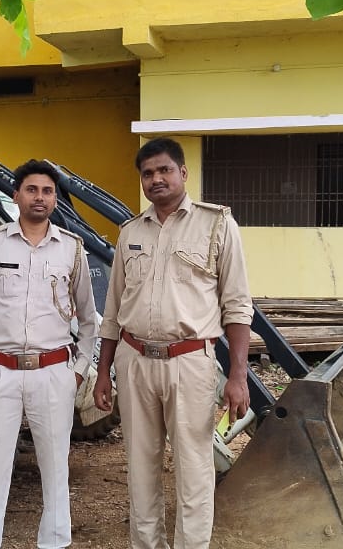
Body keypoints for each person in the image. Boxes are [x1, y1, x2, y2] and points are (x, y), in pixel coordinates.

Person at [92, 137, 253, 549]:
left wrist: (238, 377)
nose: (156, 179)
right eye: (147, 173)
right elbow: (113, 310)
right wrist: (104, 372)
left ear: (183, 172)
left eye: (164, 170)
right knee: (140, 467)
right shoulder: (130, 232)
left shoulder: (217, 225)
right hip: (134, 361)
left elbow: (237, 307)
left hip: (190, 361)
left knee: (194, 468)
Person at [0, 159, 98, 549]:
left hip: (53, 373)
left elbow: (89, 317)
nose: (40, 197)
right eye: (32, 189)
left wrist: (78, 369)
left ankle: (54, 542)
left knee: (55, 468)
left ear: (55, 199)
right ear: (16, 195)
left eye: (47, 191)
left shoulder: (71, 249)